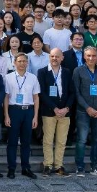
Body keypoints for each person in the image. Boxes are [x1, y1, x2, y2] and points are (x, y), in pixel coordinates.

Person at [72, 47, 97, 177]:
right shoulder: (78, 71)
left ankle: (96, 167)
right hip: (83, 111)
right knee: (81, 140)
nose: (91, 58)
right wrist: (87, 107)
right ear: (84, 56)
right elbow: (76, 92)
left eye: (94, 56)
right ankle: (80, 167)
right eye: (88, 55)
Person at [38, 48, 74, 176]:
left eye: (57, 56)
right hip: (49, 111)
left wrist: (66, 108)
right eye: (52, 56)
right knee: (48, 140)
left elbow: (72, 92)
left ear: (62, 58)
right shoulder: (42, 72)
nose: (54, 58)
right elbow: (41, 93)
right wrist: (54, 108)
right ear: (49, 57)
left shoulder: (67, 72)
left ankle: (59, 165)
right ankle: (47, 165)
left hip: (65, 112)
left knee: (61, 141)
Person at [3, 52, 40, 178]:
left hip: (28, 111)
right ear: (14, 63)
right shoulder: (8, 78)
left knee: (26, 142)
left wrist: (35, 116)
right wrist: (6, 115)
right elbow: (6, 97)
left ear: (27, 63)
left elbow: (36, 97)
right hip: (14, 110)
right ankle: (11, 168)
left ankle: (26, 168)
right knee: (12, 142)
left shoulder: (33, 78)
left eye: (24, 61)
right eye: (19, 61)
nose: (22, 63)